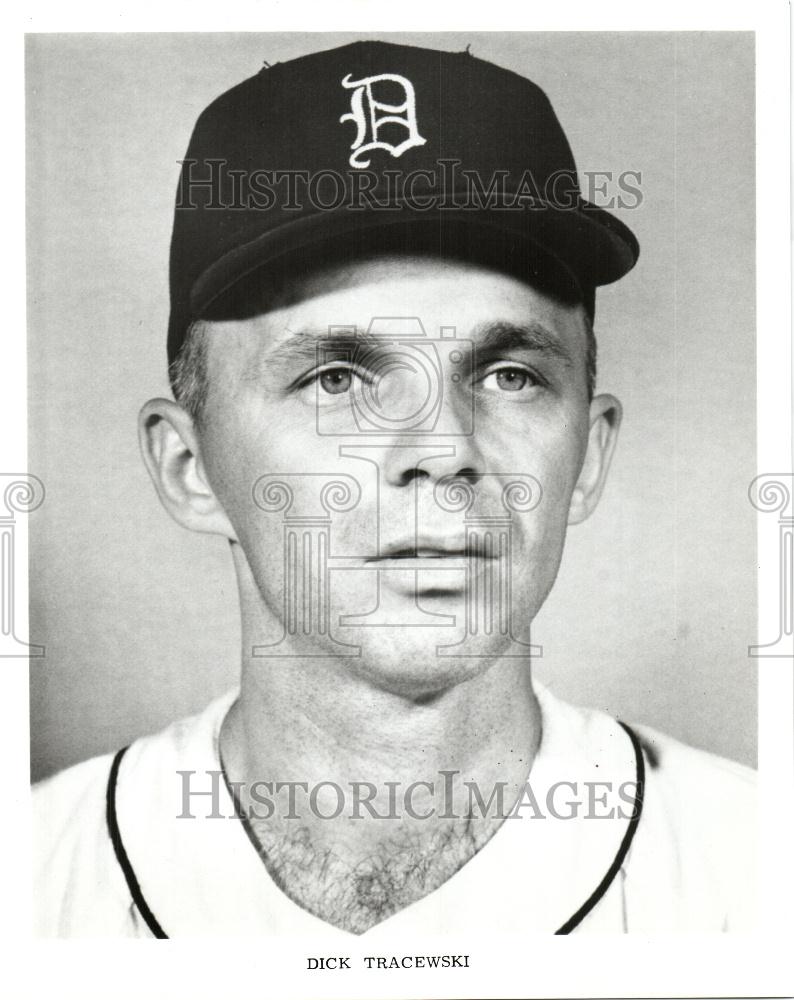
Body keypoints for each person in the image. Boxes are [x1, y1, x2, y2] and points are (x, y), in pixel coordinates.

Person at [33, 39, 755, 937]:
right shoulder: (30, 884)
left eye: (508, 375)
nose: (443, 447)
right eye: (336, 377)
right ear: (191, 469)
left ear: (591, 454)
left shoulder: (761, 875)